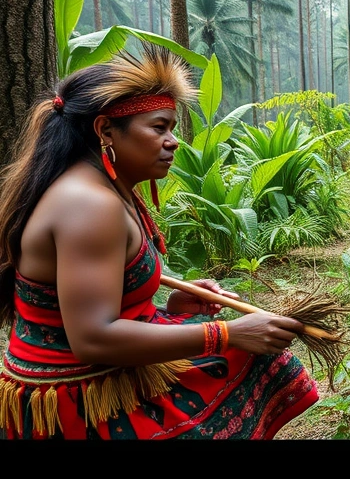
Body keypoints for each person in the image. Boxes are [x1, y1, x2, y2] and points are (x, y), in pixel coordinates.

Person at [0, 45, 318, 439]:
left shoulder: (104, 189)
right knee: (239, 351)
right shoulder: (89, 204)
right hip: (77, 399)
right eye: (159, 127)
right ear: (105, 130)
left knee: (255, 359)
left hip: (95, 375)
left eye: (172, 128)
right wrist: (227, 333)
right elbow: (92, 338)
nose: (173, 141)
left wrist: (172, 307)